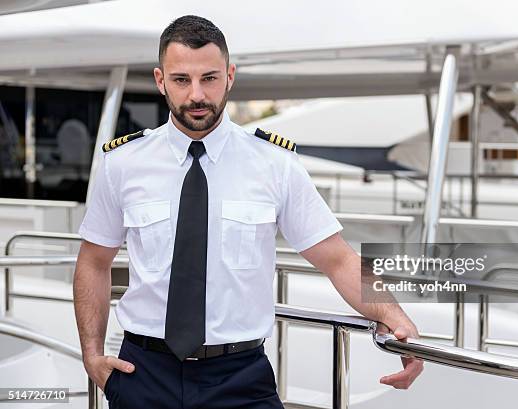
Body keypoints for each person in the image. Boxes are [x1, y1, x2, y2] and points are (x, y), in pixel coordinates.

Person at [73, 15, 423, 409]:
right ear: (160, 80)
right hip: (143, 374)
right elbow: (93, 262)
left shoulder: (275, 163)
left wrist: (395, 317)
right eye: (181, 80)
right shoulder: (122, 163)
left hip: (240, 378)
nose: (197, 96)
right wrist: (91, 353)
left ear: (230, 76)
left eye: (209, 78)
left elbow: (338, 259)